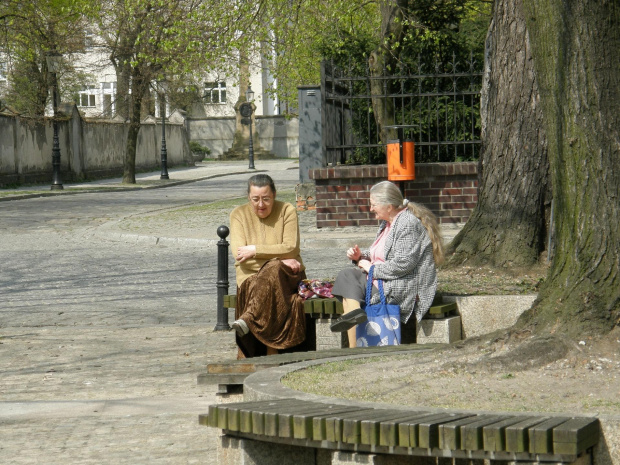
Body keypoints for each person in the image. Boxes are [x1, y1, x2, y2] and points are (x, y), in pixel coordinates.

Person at [330, 180, 444, 347]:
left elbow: (403, 264)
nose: (371, 209)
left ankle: (353, 345)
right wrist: (360, 255)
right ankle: (354, 319)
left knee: (349, 284)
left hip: (401, 285)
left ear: (389, 206)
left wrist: (373, 269)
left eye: (373, 205)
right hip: (383, 278)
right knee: (346, 277)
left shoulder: (407, 224)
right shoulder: (388, 223)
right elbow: (381, 253)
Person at [229, 174, 309, 358]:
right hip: (250, 277)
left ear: (274, 195)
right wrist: (279, 260)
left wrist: (255, 250)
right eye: (255, 199)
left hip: (287, 276)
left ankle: (247, 319)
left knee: (274, 272)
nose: (261, 205)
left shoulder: (286, 210)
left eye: (266, 199)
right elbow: (241, 257)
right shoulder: (238, 215)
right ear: (248, 197)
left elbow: (290, 247)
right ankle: (271, 352)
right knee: (271, 273)